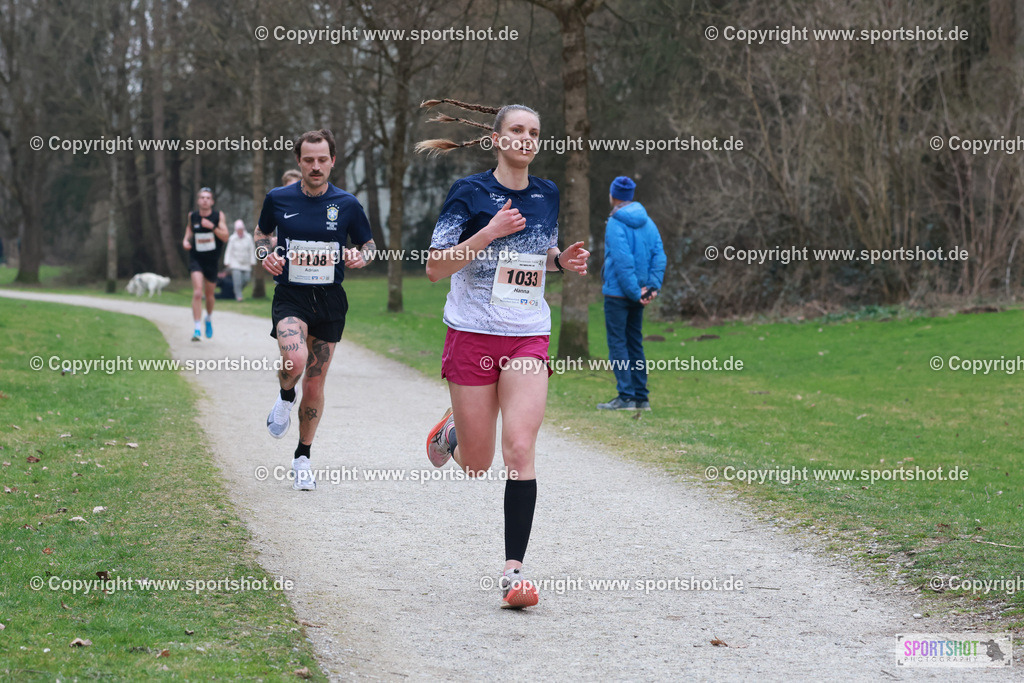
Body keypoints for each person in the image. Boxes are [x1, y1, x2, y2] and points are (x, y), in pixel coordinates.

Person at [417, 98, 590, 609]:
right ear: (496, 139)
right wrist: (489, 231)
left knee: (519, 447)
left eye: (533, 132)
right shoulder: (468, 193)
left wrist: (561, 261)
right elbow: (434, 267)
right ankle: (452, 432)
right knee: (477, 464)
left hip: (527, 334)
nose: (526, 138)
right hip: (471, 332)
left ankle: (514, 573)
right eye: (517, 129)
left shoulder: (546, 193)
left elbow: (539, 254)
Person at [255, 129, 374, 491]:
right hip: (291, 295)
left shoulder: (347, 204)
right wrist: (265, 254)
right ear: (299, 161)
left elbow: (368, 245)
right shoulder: (278, 198)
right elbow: (261, 234)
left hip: (329, 300)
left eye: (322, 159)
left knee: (315, 382)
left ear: (333, 161)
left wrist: (361, 257)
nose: (316, 166)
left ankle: (302, 457)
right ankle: (284, 396)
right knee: (294, 360)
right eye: (309, 160)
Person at [597, 176, 666, 411]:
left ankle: (626, 397)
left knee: (618, 344)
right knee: (635, 344)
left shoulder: (615, 222)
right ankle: (641, 398)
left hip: (618, 294)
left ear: (612, 195)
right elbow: (659, 256)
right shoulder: (649, 222)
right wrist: (651, 288)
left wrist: (635, 292)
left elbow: (622, 261)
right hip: (639, 293)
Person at [182, 187, 229, 341]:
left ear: (212, 201)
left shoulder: (218, 216)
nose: (205, 200)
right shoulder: (192, 216)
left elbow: (225, 237)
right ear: (198, 200)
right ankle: (197, 329)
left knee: (209, 296)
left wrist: (212, 227)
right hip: (196, 258)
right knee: (197, 292)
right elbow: (189, 229)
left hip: (212, 261)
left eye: (208, 198)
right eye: (202, 197)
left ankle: (208, 318)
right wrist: (185, 240)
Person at [224, 219, 256, 301]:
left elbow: (251, 249)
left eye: (241, 229)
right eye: (238, 229)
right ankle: (239, 296)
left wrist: (253, 260)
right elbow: (229, 250)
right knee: (237, 280)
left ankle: (236, 291)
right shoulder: (232, 238)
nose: (240, 231)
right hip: (235, 262)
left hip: (246, 262)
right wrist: (227, 261)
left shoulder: (248, 237)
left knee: (246, 279)